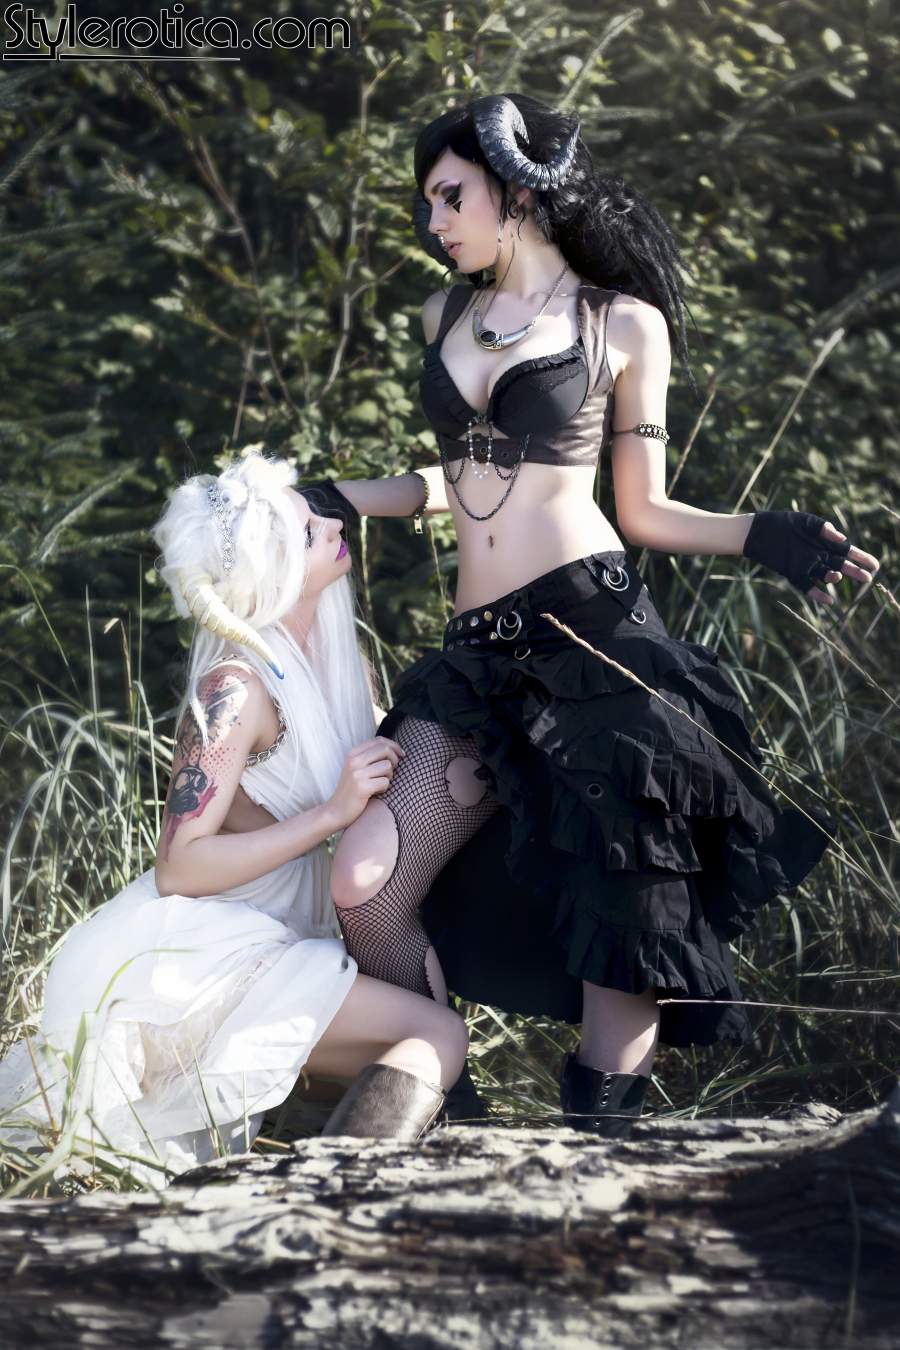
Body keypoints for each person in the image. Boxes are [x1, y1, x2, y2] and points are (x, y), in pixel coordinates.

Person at [305, 93, 881, 1137]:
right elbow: (454, 482)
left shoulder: (620, 324)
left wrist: (764, 534)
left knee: (626, 906)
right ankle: (445, 1110)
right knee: (366, 882)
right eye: (426, 203)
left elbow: (645, 511)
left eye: (451, 196)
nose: (435, 222)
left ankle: (598, 1142)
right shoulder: (445, 318)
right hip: (478, 660)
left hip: (593, 638)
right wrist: (333, 497)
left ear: (516, 191)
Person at [0, 452, 468, 1187]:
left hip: (287, 938)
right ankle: (336, 1204)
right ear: (271, 571)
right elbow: (180, 864)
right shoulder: (235, 688)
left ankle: (338, 1179)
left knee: (403, 1044)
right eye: (306, 529)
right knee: (435, 1032)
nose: (331, 525)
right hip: (208, 957)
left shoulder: (334, 663)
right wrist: (331, 814)